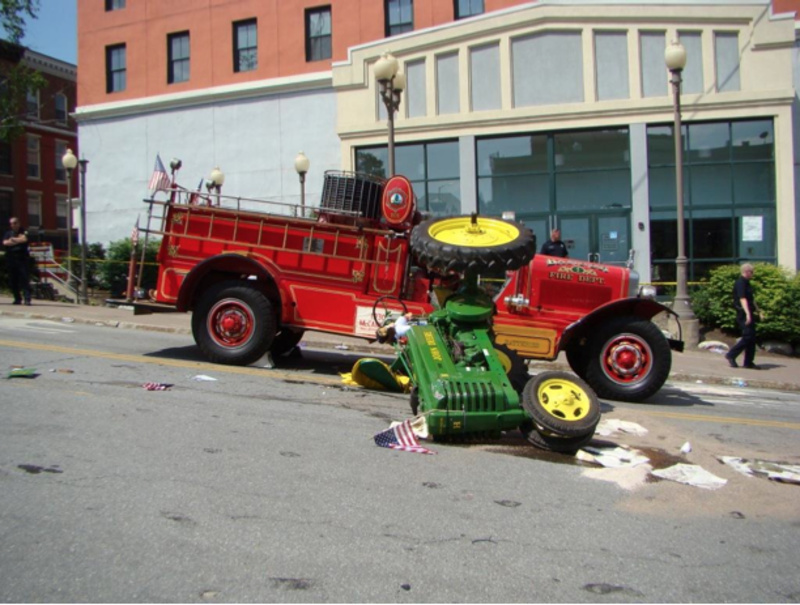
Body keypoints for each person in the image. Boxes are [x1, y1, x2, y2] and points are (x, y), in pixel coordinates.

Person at [725, 263, 760, 370]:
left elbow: (751, 299)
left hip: (749, 312)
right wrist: (748, 314)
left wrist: (758, 310)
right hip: (743, 313)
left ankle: (748, 362)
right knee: (747, 336)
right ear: (747, 271)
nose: (753, 274)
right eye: (752, 272)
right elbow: (742, 299)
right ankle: (731, 355)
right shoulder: (740, 283)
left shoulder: (747, 283)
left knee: (752, 338)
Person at [3, 217, 32, 306]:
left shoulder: (24, 232)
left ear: (19, 223)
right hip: (11, 259)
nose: (13, 225)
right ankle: (17, 299)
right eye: (11, 223)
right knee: (13, 280)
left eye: (15, 223)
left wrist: (12, 240)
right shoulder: (8, 233)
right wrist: (17, 240)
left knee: (24, 279)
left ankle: (27, 299)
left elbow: (24, 239)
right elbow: (5, 243)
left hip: (22, 259)